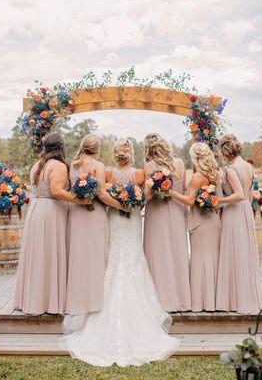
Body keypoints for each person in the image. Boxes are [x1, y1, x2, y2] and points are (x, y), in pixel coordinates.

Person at [63, 138, 180, 367]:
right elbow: (145, 198)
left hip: (115, 218)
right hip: (132, 217)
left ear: (116, 153)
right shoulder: (138, 174)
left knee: (113, 258)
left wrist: (119, 203)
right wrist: (132, 203)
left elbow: (103, 197)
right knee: (133, 257)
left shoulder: (107, 173)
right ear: (131, 153)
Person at [14, 133, 88, 315]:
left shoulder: (38, 165)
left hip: (37, 210)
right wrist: (80, 200)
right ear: (61, 147)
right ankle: (48, 303)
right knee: (49, 255)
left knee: (39, 255)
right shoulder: (59, 166)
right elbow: (56, 191)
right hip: (51, 212)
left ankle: (33, 299)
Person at [65, 134, 127, 315]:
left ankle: (77, 300)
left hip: (76, 213)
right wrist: (122, 206)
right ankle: (93, 301)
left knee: (78, 255)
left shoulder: (73, 165)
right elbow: (101, 194)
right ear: (97, 149)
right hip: (94, 215)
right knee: (96, 256)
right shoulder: (98, 166)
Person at [168, 142, 221, 312]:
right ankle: (212, 302)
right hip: (212, 220)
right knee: (211, 258)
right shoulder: (214, 174)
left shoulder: (198, 177)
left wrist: (171, 193)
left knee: (199, 259)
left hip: (201, 222)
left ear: (195, 157)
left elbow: (190, 201)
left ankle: (199, 303)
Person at [144, 133, 191, 312]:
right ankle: (181, 299)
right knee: (177, 252)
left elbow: (149, 194)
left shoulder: (150, 165)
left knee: (159, 252)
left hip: (158, 212)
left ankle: (161, 300)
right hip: (178, 211)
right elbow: (184, 189)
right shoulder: (179, 163)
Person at [216, 134, 261, 314]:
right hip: (245, 212)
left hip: (234, 212)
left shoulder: (231, 169)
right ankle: (245, 295)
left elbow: (239, 194)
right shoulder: (249, 167)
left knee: (234, 251)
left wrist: (219, 201)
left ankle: (235, 299)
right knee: (243, 252)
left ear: (225, 151)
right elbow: (248, 196)